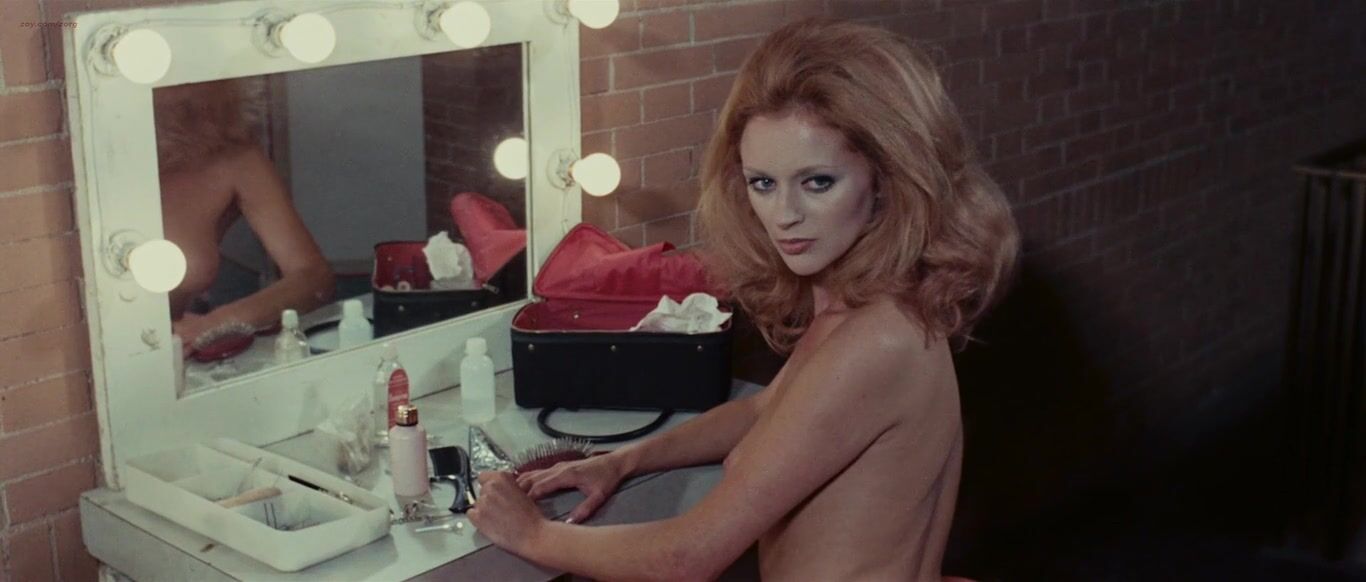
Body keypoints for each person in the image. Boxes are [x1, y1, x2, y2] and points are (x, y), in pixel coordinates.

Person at [467, 17, 1019, 580]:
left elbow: (688, 557)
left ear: (885, 179)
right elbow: (765, 411)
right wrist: (622, 461)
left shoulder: (877, 340)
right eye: (763, 183)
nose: (785, 215)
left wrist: (533, 533)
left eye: (818, 182)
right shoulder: (860, 308)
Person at [153, 79, 335, 349]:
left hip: (172, 357)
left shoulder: (231, 156)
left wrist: (215, 324)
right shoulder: (88, 153)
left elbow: (313, 277)